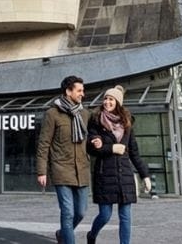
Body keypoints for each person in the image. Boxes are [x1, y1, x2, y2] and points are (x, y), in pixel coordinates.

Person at [37, 75, 100, 244]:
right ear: (68, 91)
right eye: (79, 91)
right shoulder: (52, 114)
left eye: (83, 91)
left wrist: (96, 140)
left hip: (82, 170)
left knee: (80, 212)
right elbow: (44, 143)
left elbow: (94, 133)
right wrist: (42, 171)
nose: (82, 94)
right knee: (68, 212)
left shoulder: (85, 114)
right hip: (61, 169)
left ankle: (62, 233)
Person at [86, 85, 151, 244]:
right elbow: (90, 148)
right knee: (105, 215)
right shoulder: (96, 120)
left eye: (111, 99)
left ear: (118, 103)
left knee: (125, 216)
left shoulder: (126, 124)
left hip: (124, 175)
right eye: (106, 99)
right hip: (104, 175)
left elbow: (134, 153)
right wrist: (110, 148)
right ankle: (92, 235)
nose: (107, 102)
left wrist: (145, 175)